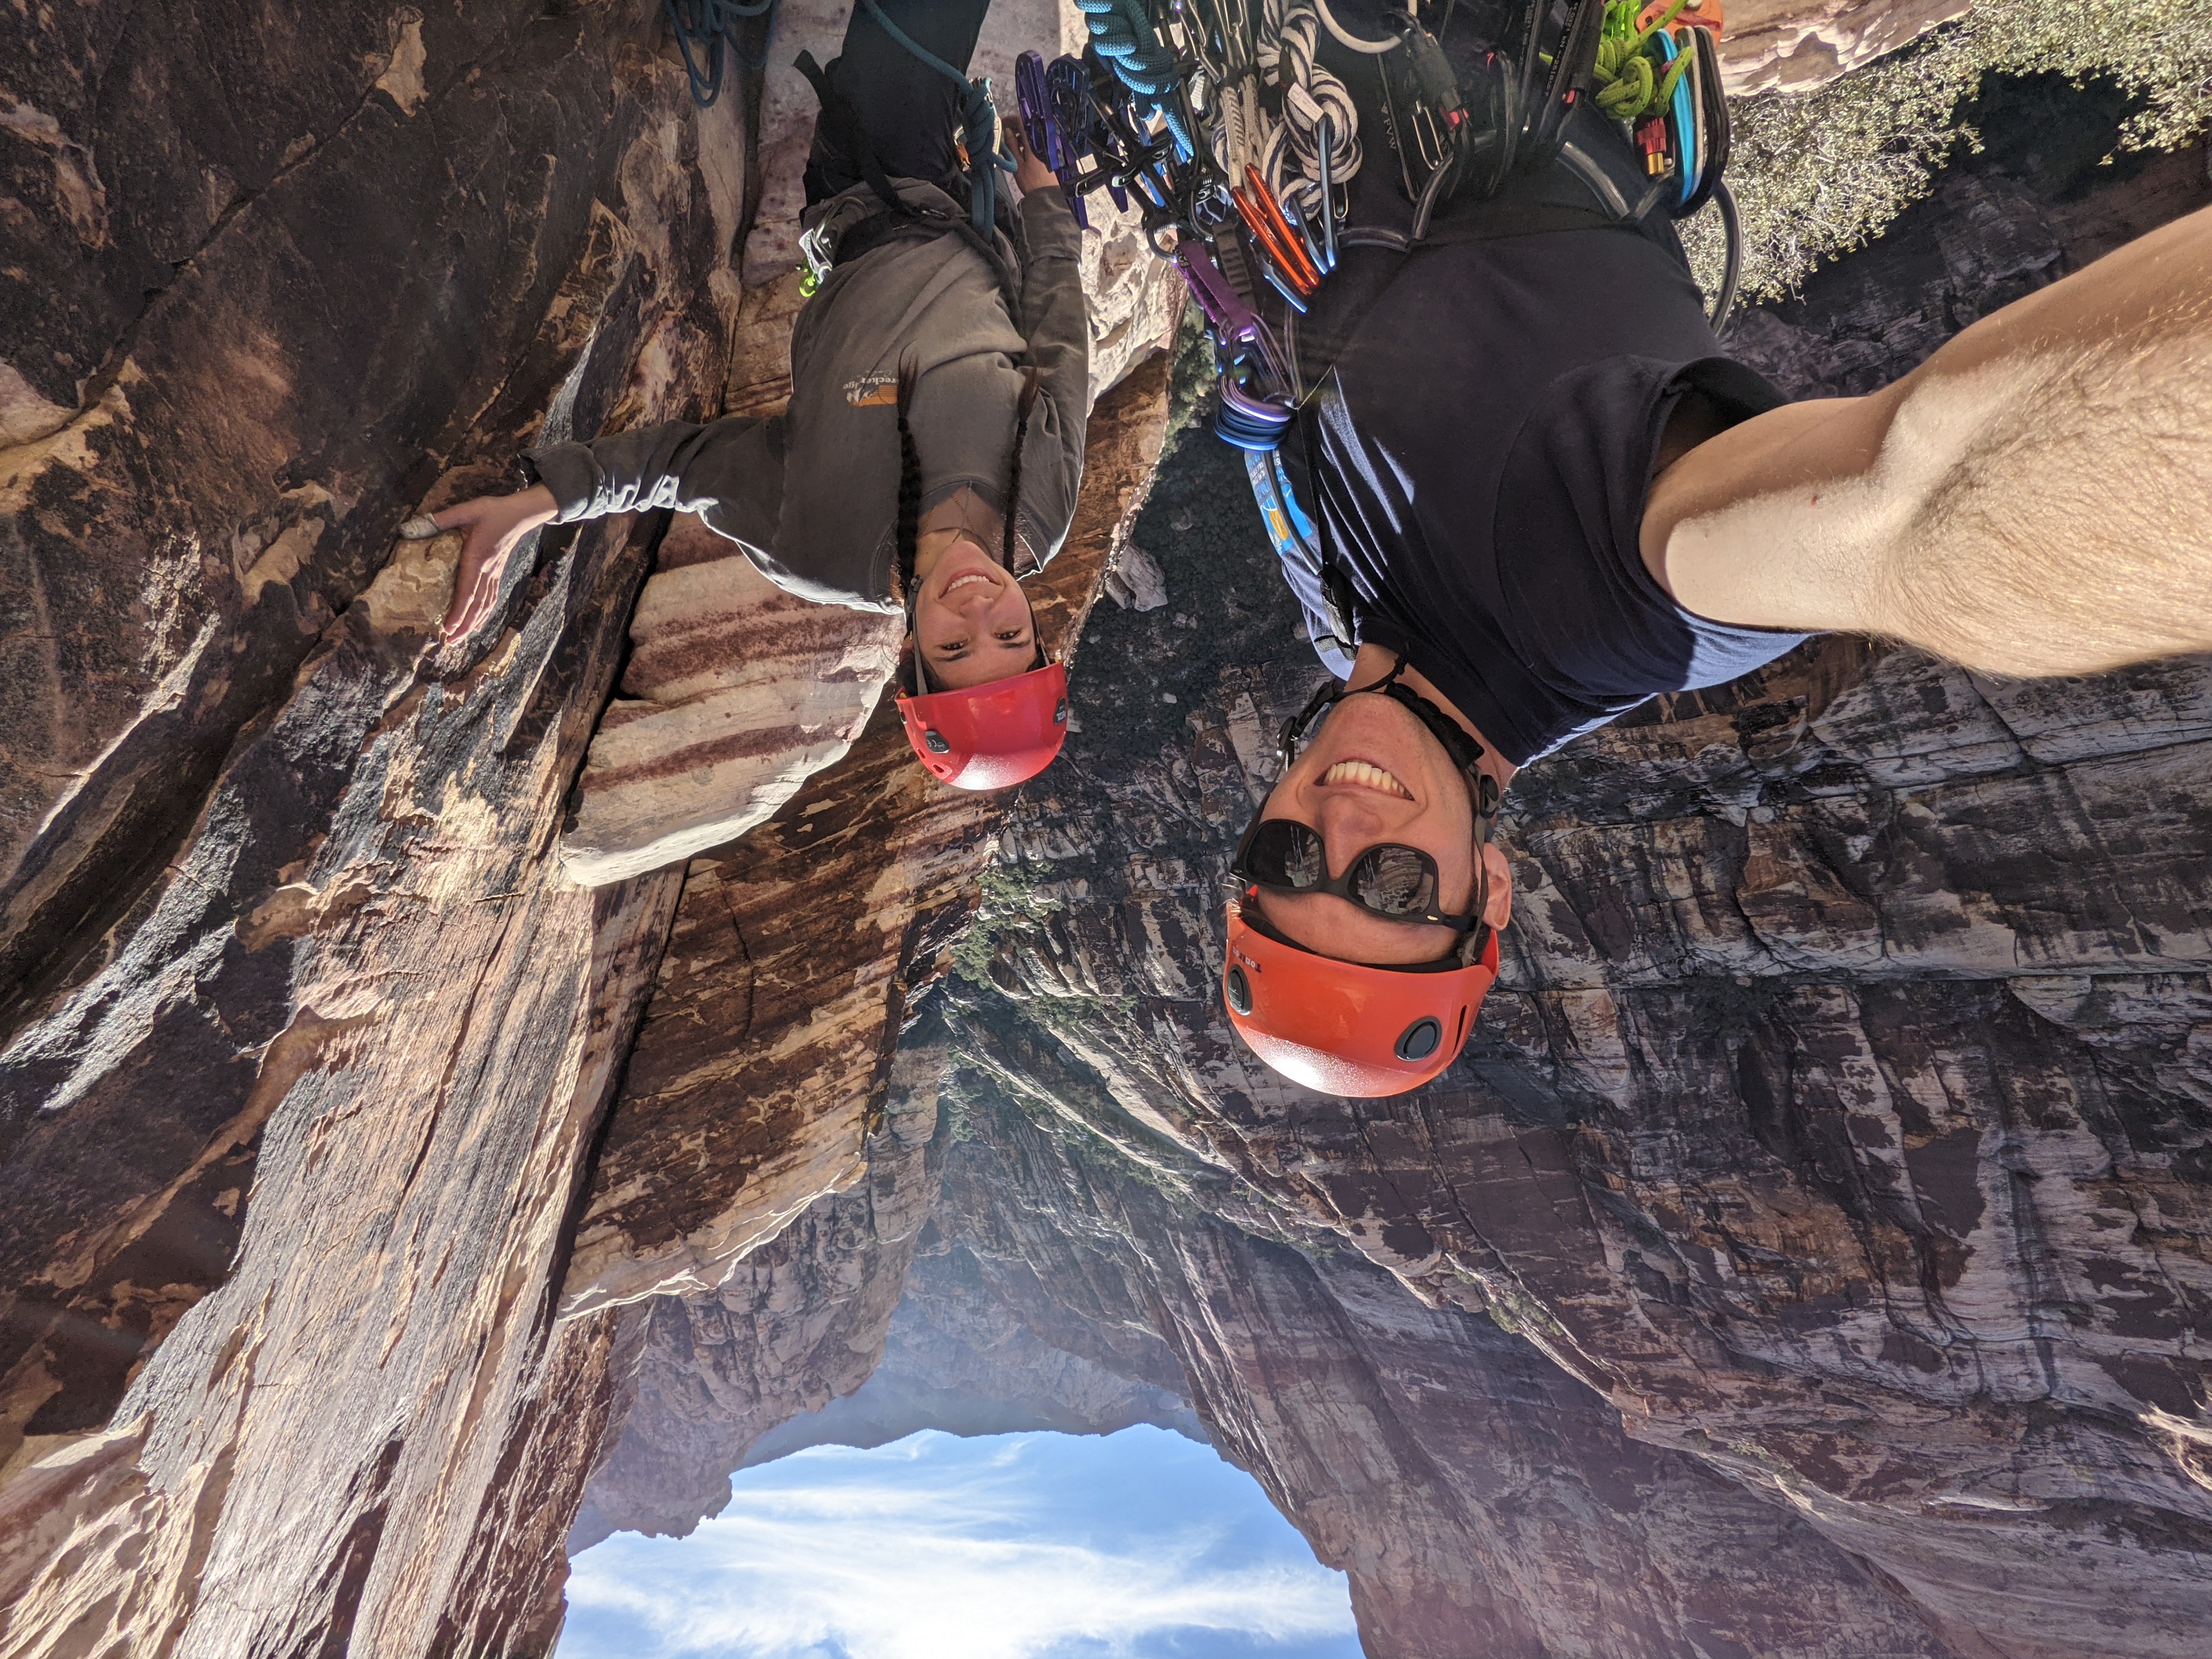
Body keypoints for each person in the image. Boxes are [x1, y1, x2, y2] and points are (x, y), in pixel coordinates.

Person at [1218, 3, 2212, 1096]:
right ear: (1487, 890)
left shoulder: (1335, 624)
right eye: (1398, 888)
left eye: (1289, 864)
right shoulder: (1603, 614)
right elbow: (1912, 508)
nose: (1345, 829)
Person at [426, 0, 1089, 789]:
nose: (981, 609)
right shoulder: (1044, 506)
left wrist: (540, 503)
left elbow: (680, 464)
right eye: (1012, 634)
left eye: (954, 647)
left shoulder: (817, 544)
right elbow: (1059, 345)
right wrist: (1047, 209)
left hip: (868, 190)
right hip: (976, 222)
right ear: (1037, 628)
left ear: (910, 655)